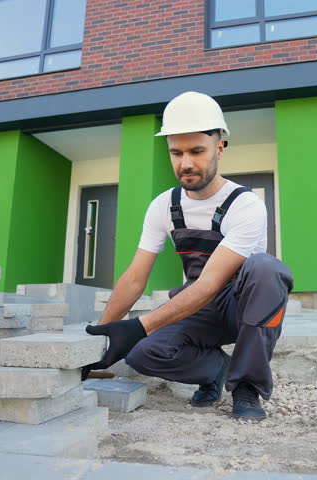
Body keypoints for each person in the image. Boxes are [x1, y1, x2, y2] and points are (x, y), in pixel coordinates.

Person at [82, 91, 293, 420]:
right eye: (176, 152)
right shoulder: (164, 205)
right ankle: (215, 369)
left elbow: (211, 282)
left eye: (197, 151)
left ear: (219, 148)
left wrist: (140, 324)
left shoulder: (245, 205)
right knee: (141, 353)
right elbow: (136, 276)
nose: (186, 163)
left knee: (266, 269)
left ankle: (247, 387)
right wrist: (103, 338)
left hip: (242, 306)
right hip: (201, 307)